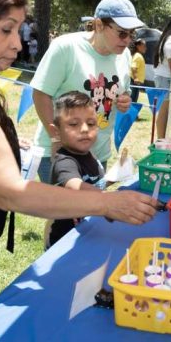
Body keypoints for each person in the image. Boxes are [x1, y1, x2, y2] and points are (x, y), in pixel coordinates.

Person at [0, 0, 158, 342]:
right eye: (6, 30)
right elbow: (9, 192)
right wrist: (107, 202)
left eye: (19, 31)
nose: (16, 45)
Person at [31, 0, 141, 182]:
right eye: (122, 33)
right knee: (66, 211)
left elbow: (123, 91)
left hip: (98, 155)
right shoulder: (66, 47)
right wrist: (57, 138)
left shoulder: (124, 56)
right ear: (99, 25)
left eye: (132, 34)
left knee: (91, 211)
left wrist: (124, 100)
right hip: (59, 153)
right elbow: (40, 94)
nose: (127, 40)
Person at [45, 91, 107, 248]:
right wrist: (113, 200)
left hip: (88, 233)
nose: (85, 129)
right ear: (56, 131)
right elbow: (76, 186)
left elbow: (95, 184)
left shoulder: (89, 154)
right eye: (74, 124)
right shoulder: (64, 162)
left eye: (91, 123)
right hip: (65, 242)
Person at [130, 38, 146, 103]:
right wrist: (136, 78)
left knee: (134, 100)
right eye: (144, 46)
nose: (145, 48)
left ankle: (130, 113)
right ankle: (129, 113)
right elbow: (133, 67)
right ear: (138, 46)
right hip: (134, 81)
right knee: (132, 100)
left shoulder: (136, 55)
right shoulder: (138, 56)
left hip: (134, 81)